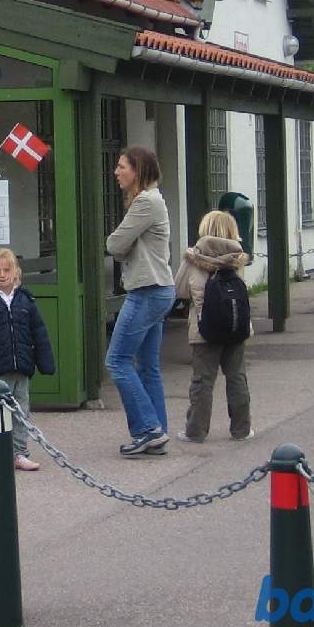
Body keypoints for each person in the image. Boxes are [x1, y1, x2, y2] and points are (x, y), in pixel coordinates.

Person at [104, 146, 176, 458]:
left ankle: (149, 429)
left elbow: (115, 243)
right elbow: (122, 246)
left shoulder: (145, 202)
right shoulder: (151, 200)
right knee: (148, 366)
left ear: (138, 170)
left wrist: (120, 246)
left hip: (147, 291)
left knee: (117, 361)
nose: (116, 172)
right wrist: (122, 247)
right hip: (159, 289)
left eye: (122, 167)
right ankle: (157, 431)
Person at [0, 248, 56, 471]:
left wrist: (45, 362)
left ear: (16, 272)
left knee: (21, 412)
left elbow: (39, 333)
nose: (2, 275)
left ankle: (18, 452)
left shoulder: (26, 301)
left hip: (21, 368)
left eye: (7, 270)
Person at [174, 210, 253, 443]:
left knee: (202, 381)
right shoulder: (237, 258)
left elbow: (179, 290)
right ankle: (241, 429)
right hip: (236, 327)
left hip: (204, 329)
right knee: (237, 376)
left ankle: (196, 431)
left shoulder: (193, 257)